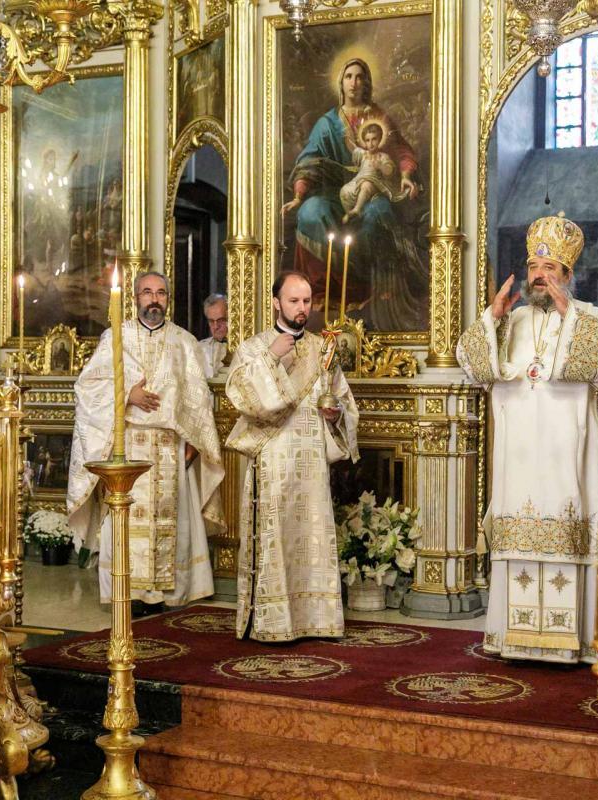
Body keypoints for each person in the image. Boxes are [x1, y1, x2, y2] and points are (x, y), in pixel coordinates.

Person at [456, 213, 598, 664]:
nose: (539, 275)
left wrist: (570, 314)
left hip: (565, 456)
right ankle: (510, 637)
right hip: (519, 457)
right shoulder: (510, 321)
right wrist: (491, 319)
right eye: (535, 267)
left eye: (550, 269)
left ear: (568, 275)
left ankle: (572, 641)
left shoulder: (591, 318)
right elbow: (474, 366)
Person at [68, 271, 225, 607]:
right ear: (135, 298)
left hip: (171, 448)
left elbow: (198, 399)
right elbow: (87, 388)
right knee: (127, 518)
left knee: (174, 521)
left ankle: (170, 593)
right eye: (147, 293)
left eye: (161, 294)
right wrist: (127, 395)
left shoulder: (184, 342)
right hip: (127, 447)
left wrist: (195, 443)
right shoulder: (115, 338)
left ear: (168, 299)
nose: (154, 300)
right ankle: (129, 593)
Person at [225, 272, 359, 642]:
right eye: (294, 301)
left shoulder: (323, 349)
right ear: (276, 303)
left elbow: (343, 400)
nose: (303, 309)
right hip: (273, 461)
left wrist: (336, 417)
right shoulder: (255, 348)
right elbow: (239, 395)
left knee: (311, 535)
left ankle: (316, 618)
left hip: (311, 462)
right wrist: (271, 357)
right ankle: (272, 622)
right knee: (275, 538)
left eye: (307, 302)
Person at [279, 58, 426, 330]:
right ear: (341, 82)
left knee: (378, 214)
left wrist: (405, 176)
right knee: (312, 213)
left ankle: (374, 290)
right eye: (349, 76)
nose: (354, 82)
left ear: (366, 82)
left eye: (359, 77)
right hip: (336, 193)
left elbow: (402, 152)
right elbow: (309, 160)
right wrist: (299, 197)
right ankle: (325, 293)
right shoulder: (328, 123)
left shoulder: (378, 118)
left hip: (374, 191)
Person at [340, 122, 405, 224]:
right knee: (344, 190)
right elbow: (352, 148)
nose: (371, 143)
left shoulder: (382, 156)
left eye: (374, 139)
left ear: (380, 139)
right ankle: (351, 215)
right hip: (358, 181)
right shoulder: (363, 154)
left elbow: (390, 171)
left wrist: (381, 166)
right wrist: (347, 136)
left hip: (375, 183)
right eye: (367, 140)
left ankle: (357, 209)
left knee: (366, 185)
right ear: (364, 142)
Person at [197, 293, 229, 379]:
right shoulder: (198, 349)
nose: (215, 326)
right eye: (211, 321)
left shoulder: (243, 348)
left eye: (220, 320)